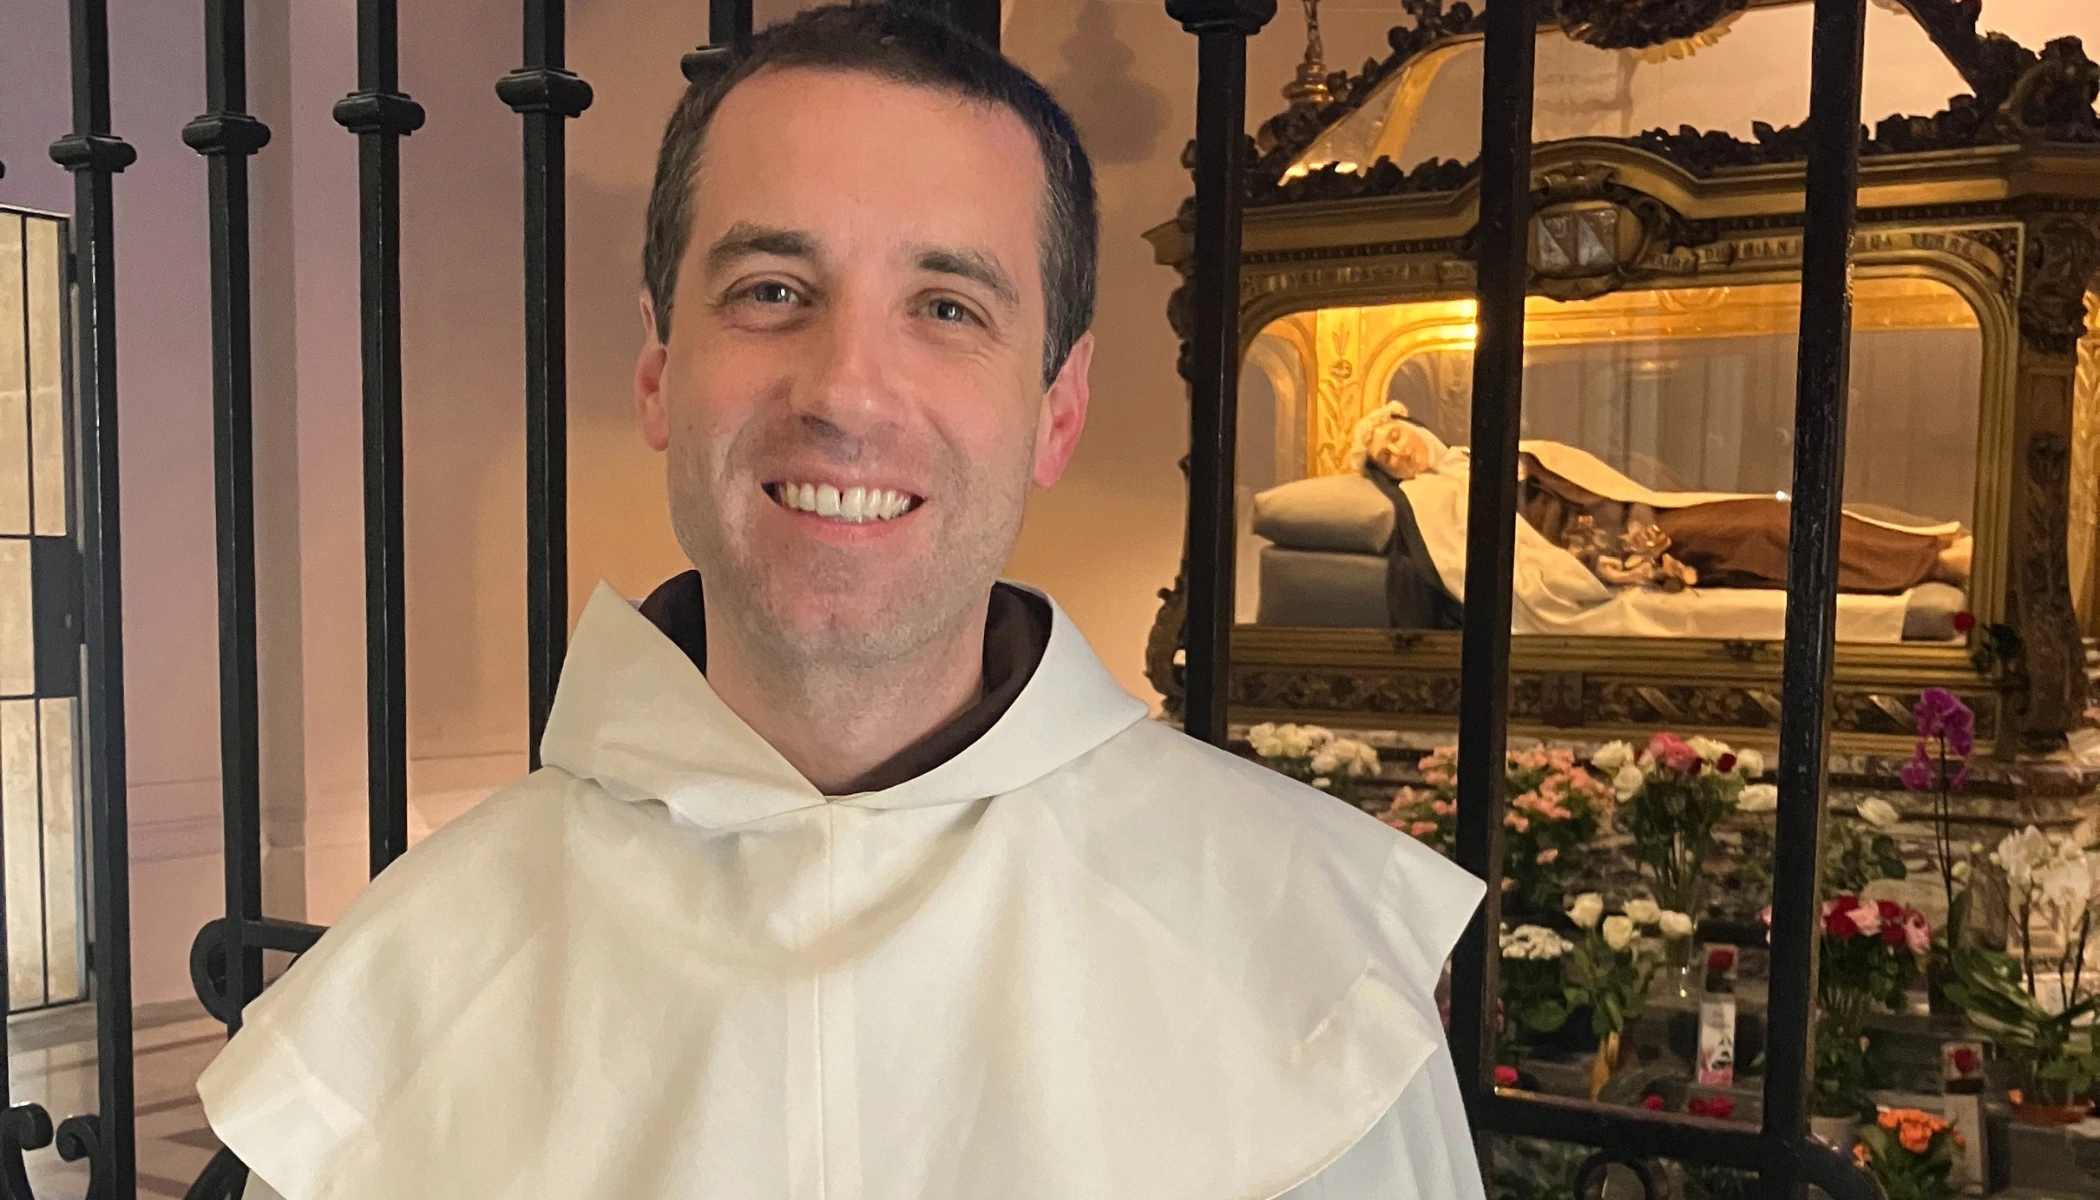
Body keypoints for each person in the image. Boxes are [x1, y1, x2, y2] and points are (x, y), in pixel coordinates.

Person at [198, 8, 1487, 1197]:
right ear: (658, 369)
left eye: (946, 306)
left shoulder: (1306, 961)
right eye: (772, 292)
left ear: (1058, 408)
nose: (848, 392)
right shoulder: (412, 988)